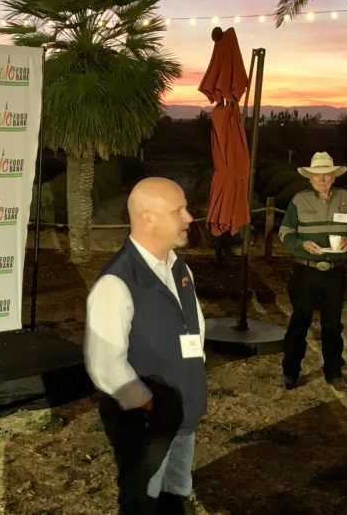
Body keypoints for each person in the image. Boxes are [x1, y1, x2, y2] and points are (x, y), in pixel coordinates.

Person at [84, 177, 206, 515]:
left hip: (182, 412)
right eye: (178, 211)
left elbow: (194, 329)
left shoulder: (180, 268)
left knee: (174, 495)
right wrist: (150, 405)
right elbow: (105, 364)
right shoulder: (116, 283)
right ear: (148, 219)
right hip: (147, 424)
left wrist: (190, 388)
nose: (189, 218)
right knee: (142, 501)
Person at [278, 151, 347, 391]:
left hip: (335, 273)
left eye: (327, 175)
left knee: (333, 326)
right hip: (305, 271)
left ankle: (334, 372)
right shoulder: (299, 200)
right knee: (299, 322)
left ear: (334, 177)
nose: (322, 179)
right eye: (317, 175)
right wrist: (301, 245)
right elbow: (285, 232)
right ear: (310, 178)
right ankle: (290, 372)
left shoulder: (346, 197)